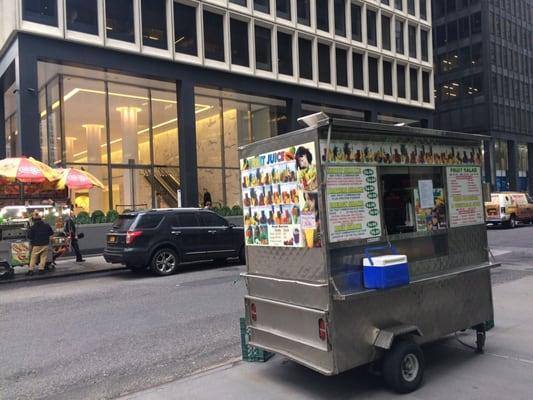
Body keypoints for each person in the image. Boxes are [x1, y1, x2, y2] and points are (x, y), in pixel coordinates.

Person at [26, 212, 54, 276]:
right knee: (43, 257)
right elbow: (51, 233)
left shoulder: (33, 227)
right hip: (45, 244)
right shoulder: (47, 225)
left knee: (33, 258)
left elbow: (30, 236)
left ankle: (31, 270)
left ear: (34, 220)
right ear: (41, 219)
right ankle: (41, 270)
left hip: (36, 245)